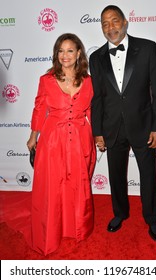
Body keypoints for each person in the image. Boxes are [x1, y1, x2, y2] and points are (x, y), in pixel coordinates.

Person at [89, 5, 156, 242]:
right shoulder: (96, 58)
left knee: (148, 176)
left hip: (144, 125)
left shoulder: (148, 49)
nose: (110, 27)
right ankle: (120, 213)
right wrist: (98, 131)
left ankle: (152, 220)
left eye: (114, 21)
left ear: (124, 22)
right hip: (112, 127)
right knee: (116, 176)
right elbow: (98, 98)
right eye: (104, 23)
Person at [27, 33, 96, 255]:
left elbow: (92, 111)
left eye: (70, 50)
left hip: (80, 138)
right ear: (56, 54)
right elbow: (39, 109)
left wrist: (99, 135)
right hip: (52, 140)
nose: (65, 55)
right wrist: (33, 135)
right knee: (52, 186)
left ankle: (76, 228)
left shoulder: (89, 81)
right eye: (60, 51)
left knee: (77, 185)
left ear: (78, 54)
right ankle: (50, 231)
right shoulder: (45, 80)